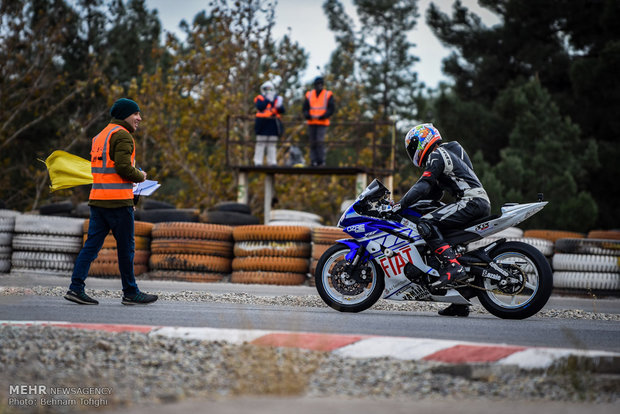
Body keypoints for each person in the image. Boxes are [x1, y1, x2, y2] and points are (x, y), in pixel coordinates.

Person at [64, 98, 158, 306]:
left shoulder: (100, 136)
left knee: (90, 247)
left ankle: (76, 288)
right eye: (136, 114)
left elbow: (106, 171)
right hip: (117, 203)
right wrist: (141, 176)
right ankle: (130, 293)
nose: (139, 118)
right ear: (125, 115)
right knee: (126, 249)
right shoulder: (123, 136)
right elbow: (123, 169)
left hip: (98, 200)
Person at [392, 123, 491, 317]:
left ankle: (452, 267)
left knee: (426, 224)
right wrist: (409, 204)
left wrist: (399, 206)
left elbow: (423, 186)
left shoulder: (437, 154)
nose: (412, 151)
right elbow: (432, 194)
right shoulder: (445, 155)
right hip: (476, 202)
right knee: (443, 236)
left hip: (472, 201)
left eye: (413, 146)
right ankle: (459, 301)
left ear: (421, 141)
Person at [302, 77, 334, 166]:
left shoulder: (328, 94)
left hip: (322, 123)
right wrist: (308, 115)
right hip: (311, 122)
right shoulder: (309, 94)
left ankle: (321, 161)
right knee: (312, 142)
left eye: (320, 84)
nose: (319, 86)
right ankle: (313, 161)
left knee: (319, 142)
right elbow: (305, 108)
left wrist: (323, 116)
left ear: (322, 85)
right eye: (317, 84)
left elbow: (331, 108)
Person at [254, 81, 285, 166]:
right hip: (262, 123)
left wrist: (279, 105)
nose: (268, 91)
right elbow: (260, 107)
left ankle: (272, 161)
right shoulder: (260, 98)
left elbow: (282, 110)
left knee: (272, 144)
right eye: (266, 89)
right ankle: (258, 161)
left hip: (272, 123)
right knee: (260, 143)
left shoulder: (276, 98)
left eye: (269, 89)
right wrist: (267, 99)